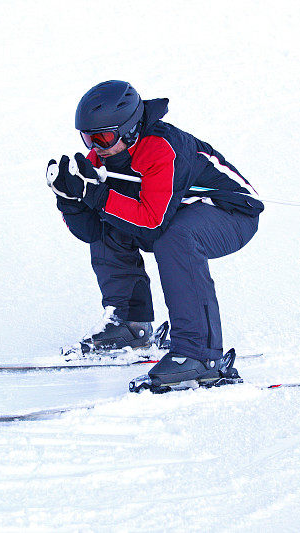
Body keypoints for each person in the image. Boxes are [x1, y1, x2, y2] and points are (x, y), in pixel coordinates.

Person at [46, 80, 263, 388]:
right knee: (113, 219)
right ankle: (130, 324)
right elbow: (94, 230)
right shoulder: (102, 157)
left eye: (104, 137)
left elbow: (152, 222)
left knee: (176, 237)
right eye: (87, 138)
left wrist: (98, 197)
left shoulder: (161, 147)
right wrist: (72, 202)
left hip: (232, 213)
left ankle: (200, 355)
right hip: (173, 215)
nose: (95, 148)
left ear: (130, 129)